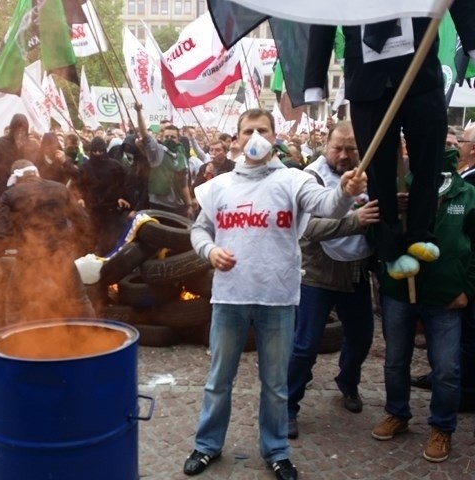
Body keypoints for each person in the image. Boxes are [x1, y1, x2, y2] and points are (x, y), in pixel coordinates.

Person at [184, 108, 367, 480]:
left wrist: (346, 193)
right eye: (248, 130)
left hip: (278, 299)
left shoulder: (294, 180)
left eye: (262, 130)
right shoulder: (218, 186)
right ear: (235, 139)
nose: (255, 137)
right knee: (219, 379)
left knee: (276, 384)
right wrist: (209, 251)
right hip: (230, 299)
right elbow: (199, 230)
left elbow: (328, 206)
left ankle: (276, 450)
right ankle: (207, 446)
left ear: (275, 135)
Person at [304, 2, 475, 280]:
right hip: (367, 81)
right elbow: (323, 17)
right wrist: (314, 79)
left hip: (420, 72)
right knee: (377, 173)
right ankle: (391, 248)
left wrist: (472, 42)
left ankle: (421, 233)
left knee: (429, 157)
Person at [371, 146, 475, 462]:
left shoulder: (467, 194)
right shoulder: (403, 186)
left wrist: (467, 289)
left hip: (445, 297)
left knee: (446, 368)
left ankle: (442, 427)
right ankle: (397, 413)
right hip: (401, 293)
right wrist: (392, 210)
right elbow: (375, 234)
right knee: (395, 360)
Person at [287, 121, 379, 439]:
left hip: (356, 268)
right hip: (317, 271)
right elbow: (307, 228)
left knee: (362, 337)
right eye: (337, 147)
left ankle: (348, 382)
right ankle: (288, 406)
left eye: (350, 148)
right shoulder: (309, 177)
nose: (343, 154)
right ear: (326, 145)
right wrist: (354, 221)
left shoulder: (372, 172)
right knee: (305, 344)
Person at [0, 159, 95, 322]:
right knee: (79, 299)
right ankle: (92, 336)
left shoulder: (10, 194)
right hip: (60, 254)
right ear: (36, 173)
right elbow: (83, 220)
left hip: (28, 257)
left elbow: (1, 231)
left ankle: (12, 342)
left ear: (16, 178)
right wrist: (72, 241)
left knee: (15, 305)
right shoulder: (59, 188)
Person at [135, 105, 193, 218]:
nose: (169, 140)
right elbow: (144, 133)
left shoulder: (181, 156)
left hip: (177, 206)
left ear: (178, 139)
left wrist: (189, 205)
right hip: (159, 205)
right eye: (166, 137)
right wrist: (138, 112)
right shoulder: (158, 151)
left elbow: (183, 184)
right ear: (162, 138)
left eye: (172, 137)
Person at [75, 137, 130, 256]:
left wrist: (122, 197)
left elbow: (124, 184)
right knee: (91, 240)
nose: (98, 154)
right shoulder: (85, 168)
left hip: (112, 210)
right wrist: (80, 198)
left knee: (109, 242)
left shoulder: (115, 166)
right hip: (92, 210)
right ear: (90, 152)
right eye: (95, 152)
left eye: (101, 151)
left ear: (105, 150)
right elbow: (79, 186)